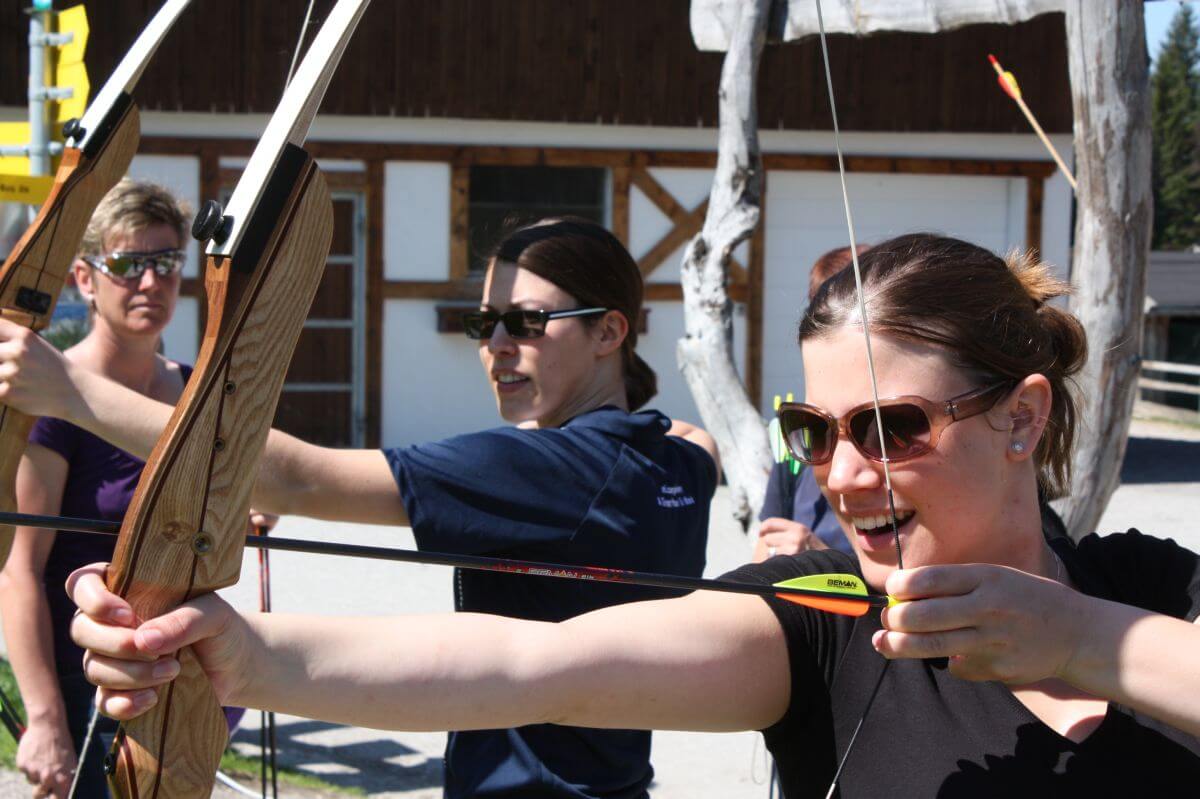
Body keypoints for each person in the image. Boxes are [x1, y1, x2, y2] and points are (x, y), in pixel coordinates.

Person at [32, 233, 1200, 794]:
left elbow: (302, 477)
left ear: (1022, 416)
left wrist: (1081, 638)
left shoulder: (1153, 590)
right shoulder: (826, 617)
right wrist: (240, 654)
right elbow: (534, 664)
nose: (845, 474)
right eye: (816, 432)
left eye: (892, 427)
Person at [0, 217, 720, 799]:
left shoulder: (554, 469)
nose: (497, 346)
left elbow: (298, 480)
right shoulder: (676, 461)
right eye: (485, 324)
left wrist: (69, 391)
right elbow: (696, 443)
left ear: (609, 332)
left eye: (527, 322)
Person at [0, 180, 192, 799]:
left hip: (177, 677)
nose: (151, 282)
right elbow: (19, 569)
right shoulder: (52, 396)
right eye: (129, 264)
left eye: (167, 261)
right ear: (85, 278)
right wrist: (45, 719)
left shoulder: (196, 394)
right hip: (86, 683)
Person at [754, 245, 869, 561]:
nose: (840, 477)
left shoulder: (903, 436)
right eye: (821, 316)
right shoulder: (798, 433)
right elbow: (766, 545)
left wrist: (823, 560)